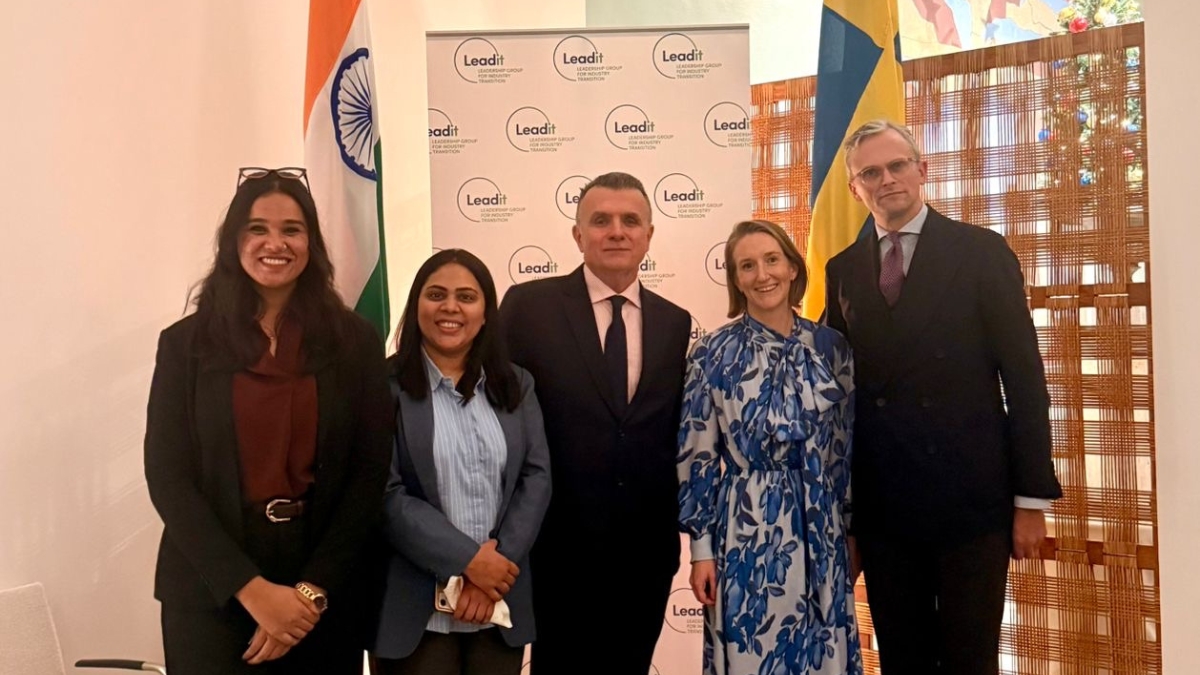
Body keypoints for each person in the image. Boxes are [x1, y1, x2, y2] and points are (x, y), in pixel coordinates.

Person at [823, 120, 1062, 674]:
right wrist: (846, 517)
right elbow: (837, 395)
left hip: (971, 504)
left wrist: (1030, 499)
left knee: (969, 660)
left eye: (897, 166)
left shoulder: (980, 252)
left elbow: (1025, 380)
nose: (887, 180)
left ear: (922, 170)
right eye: (870, 173)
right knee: (901, 659)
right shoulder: (842, 269)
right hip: (885, 510)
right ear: (855, 189)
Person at [143, 167, 393, 674]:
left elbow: (368, 474)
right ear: (234, 241)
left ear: (311, 243)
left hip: (323, 587)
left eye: (291, 230)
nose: (274, 243)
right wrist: (252, 592)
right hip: (213, 588)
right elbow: (168, 476)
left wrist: (309, 592)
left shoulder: (354, 342)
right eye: (257, 228)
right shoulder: (185, 345)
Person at [500, 172, 691, 674]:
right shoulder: (528, 307)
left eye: (631, 221)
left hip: (645, 553)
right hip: (554, 548)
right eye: (601, 220)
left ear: (649, 234)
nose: (617, 231)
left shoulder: (675, 322)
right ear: (578, 234)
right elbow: (495, 415)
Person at [677, 219, 861, 675]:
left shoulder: (832, 348)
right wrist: (701, 550)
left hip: (823, 528)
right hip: (747, 529)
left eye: (772, 260)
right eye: (747, 266)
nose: (763, 275)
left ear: (793, 267)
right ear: (736, 280)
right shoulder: (712, 353)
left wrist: (850, 532)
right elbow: (698, 457)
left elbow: (845, 449)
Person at [372, 249, 551, 675]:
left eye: (466, 297)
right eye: (436, 294)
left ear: (486, 313)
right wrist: (469, 562)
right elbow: (385, 492)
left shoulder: (517, 384)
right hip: (414, 610)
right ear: (416, 305)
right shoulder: (382, 386)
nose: (450, 307)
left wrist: (494, 571)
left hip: (498, 602)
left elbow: (536, 477)